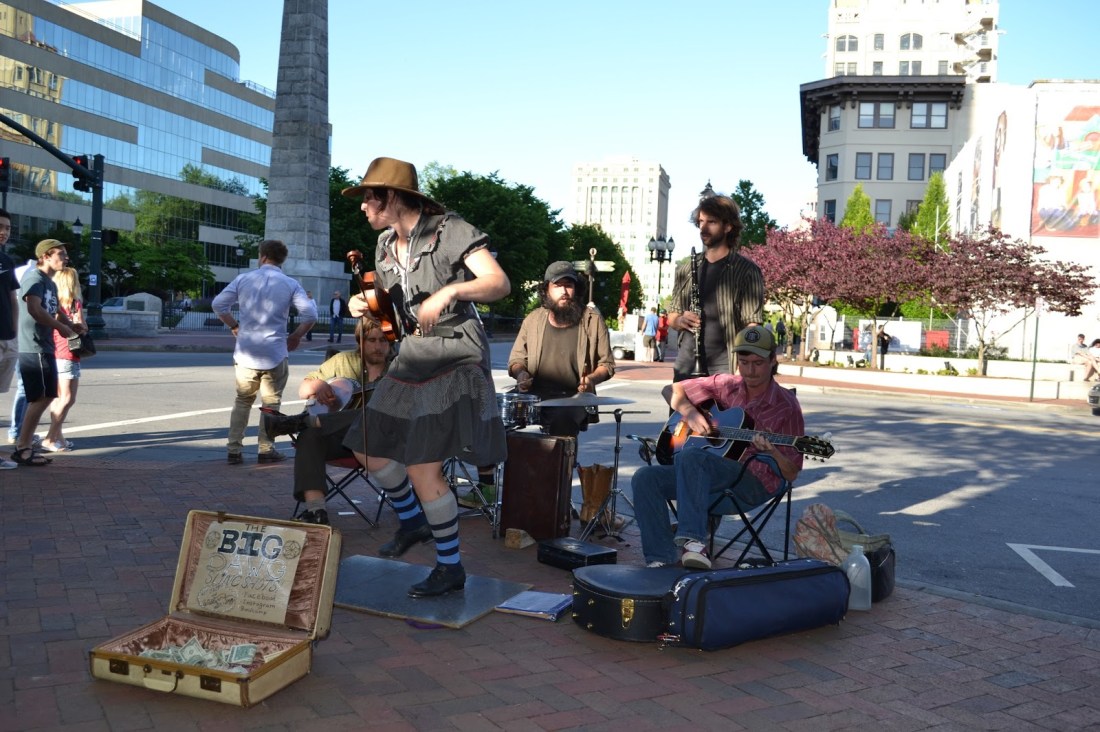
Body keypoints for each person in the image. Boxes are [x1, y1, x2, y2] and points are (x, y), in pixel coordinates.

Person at [341, 156, 510, 598]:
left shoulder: (450, 229)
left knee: (422, 465)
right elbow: (390, 308)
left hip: (455, 354)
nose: (363, 205)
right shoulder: (383, 245)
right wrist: (366, 305)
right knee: (366, 447)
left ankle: (450, 567)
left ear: (393, 197)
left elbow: (498, 283)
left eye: (369, 197)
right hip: (413, 355)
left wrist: (452, 290)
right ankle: (413, 520)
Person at [632, 325, 804, 569]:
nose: (750, 370)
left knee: (693, 458)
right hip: (704, 476)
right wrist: (690, 412)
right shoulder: (726, 385)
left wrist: (772, 452)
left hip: (752, 483)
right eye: (744, 362)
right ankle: (660, 559)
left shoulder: (787, 405)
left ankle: (694, 542)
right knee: (645, 478)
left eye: (758, 363)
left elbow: (792, 473)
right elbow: (672, 389)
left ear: (772, 361)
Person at [263, 320, 399, 529]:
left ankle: (302, 422)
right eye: (372, 340)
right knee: (309, 436)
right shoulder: (343, 361)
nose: (378, 346)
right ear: (360, 341)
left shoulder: (399, 368)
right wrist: (319, 385)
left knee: (374, 414)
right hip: (345, 442)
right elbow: (303, 389)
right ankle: (316, 511)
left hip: (380, 444)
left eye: (383, 341)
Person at [212, 239, 316, 465]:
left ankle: (234, 449)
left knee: (242, 400)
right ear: (282, 260)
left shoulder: (243, 279)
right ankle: (266, 448)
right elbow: (310, 315)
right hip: (275, 351)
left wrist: (234, 325)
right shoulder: (290, 284)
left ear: (263, 256)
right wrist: (296, 336)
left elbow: (219, 305)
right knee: (271, 402)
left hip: (246, 351)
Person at [508, 261, 615, 439]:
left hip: (574, 397)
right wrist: (520, 374)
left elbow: (607, 364)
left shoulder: (592, 320)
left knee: (562, 421)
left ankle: (560, 456)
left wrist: (590, 380)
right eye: (557, 286)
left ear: (576, 289)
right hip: (534, 394)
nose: (564, 291)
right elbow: (516, 360)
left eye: (569, 285)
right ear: (546, 290)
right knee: (493, 414)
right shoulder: (533, 320)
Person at [667, 195, 765, 381]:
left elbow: (752, 325)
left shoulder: (747, 271)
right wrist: (680, 320)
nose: (703, 228)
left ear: (728, 226)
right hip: (686, 364)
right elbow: (671, 316)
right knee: (678, 402)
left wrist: (744, 365)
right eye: (701, 221)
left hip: (725, 366)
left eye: (711, 222)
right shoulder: (686, 269)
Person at [9, 240, 82, 467]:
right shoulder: (34, 278)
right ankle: (23, 447)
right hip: (33, 346)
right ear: (45, 256)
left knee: (47, 395)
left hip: (45, 346)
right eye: (61, 254)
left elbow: (55, 310)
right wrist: (61, 328)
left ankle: (25, 444)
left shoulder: (50, 282)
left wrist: (71, 324)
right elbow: (34, 308)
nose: (65, 257)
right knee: (40, 397)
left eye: (65, 253)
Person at [41, 267, 83, 452]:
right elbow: (82, 326)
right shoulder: (74, 303)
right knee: (67, 398)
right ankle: (50, 438)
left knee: (58, 398)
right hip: (68, 352)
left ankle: (59, 437)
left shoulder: (51, 303)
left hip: (54, 350)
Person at [6, 257, 34, 448]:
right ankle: (17, 432)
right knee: (25, 388)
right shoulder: (28, 274)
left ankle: (19, 433)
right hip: (22, 341)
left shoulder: (9, 264)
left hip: (14, 338)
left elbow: (13, 301)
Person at [0, 210, 17, 469]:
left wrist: (14, 334)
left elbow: (13, 299)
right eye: (0, 226)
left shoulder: (7, 260)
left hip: (7, 338)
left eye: (7, 228)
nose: (4, 232)